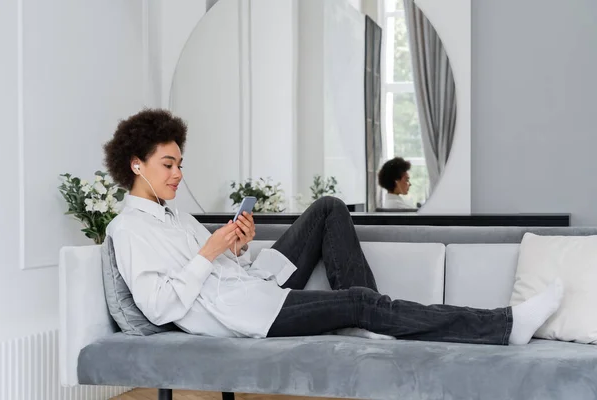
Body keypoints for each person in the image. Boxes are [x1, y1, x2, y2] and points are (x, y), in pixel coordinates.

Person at [103, 108, 563, 345]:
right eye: (167, 164)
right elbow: (160, 306)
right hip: (246, 315)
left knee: (327, 207)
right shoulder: (128, 231)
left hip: (253, 283)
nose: (178, 173)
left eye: (180, 163)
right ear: (136, 165)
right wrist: (209, 252)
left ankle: (371, 318)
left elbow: (215, 269)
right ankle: (504, 326)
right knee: (360, 301)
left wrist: (235, 247)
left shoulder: (174, 215)